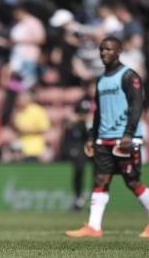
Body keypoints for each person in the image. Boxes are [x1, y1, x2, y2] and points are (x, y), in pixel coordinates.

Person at [66, 37, 149, 238]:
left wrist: (129, 133)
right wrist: (90, 137)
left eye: (109, 50)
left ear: (119, 51)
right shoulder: (101, 79)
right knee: (100, 179)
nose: (104, 53)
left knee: (132, 181)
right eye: (102, 50)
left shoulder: (129, 76)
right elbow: (98, 112)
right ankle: (94, 227)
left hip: (125, 139)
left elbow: (137, 105)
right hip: (104, 139)